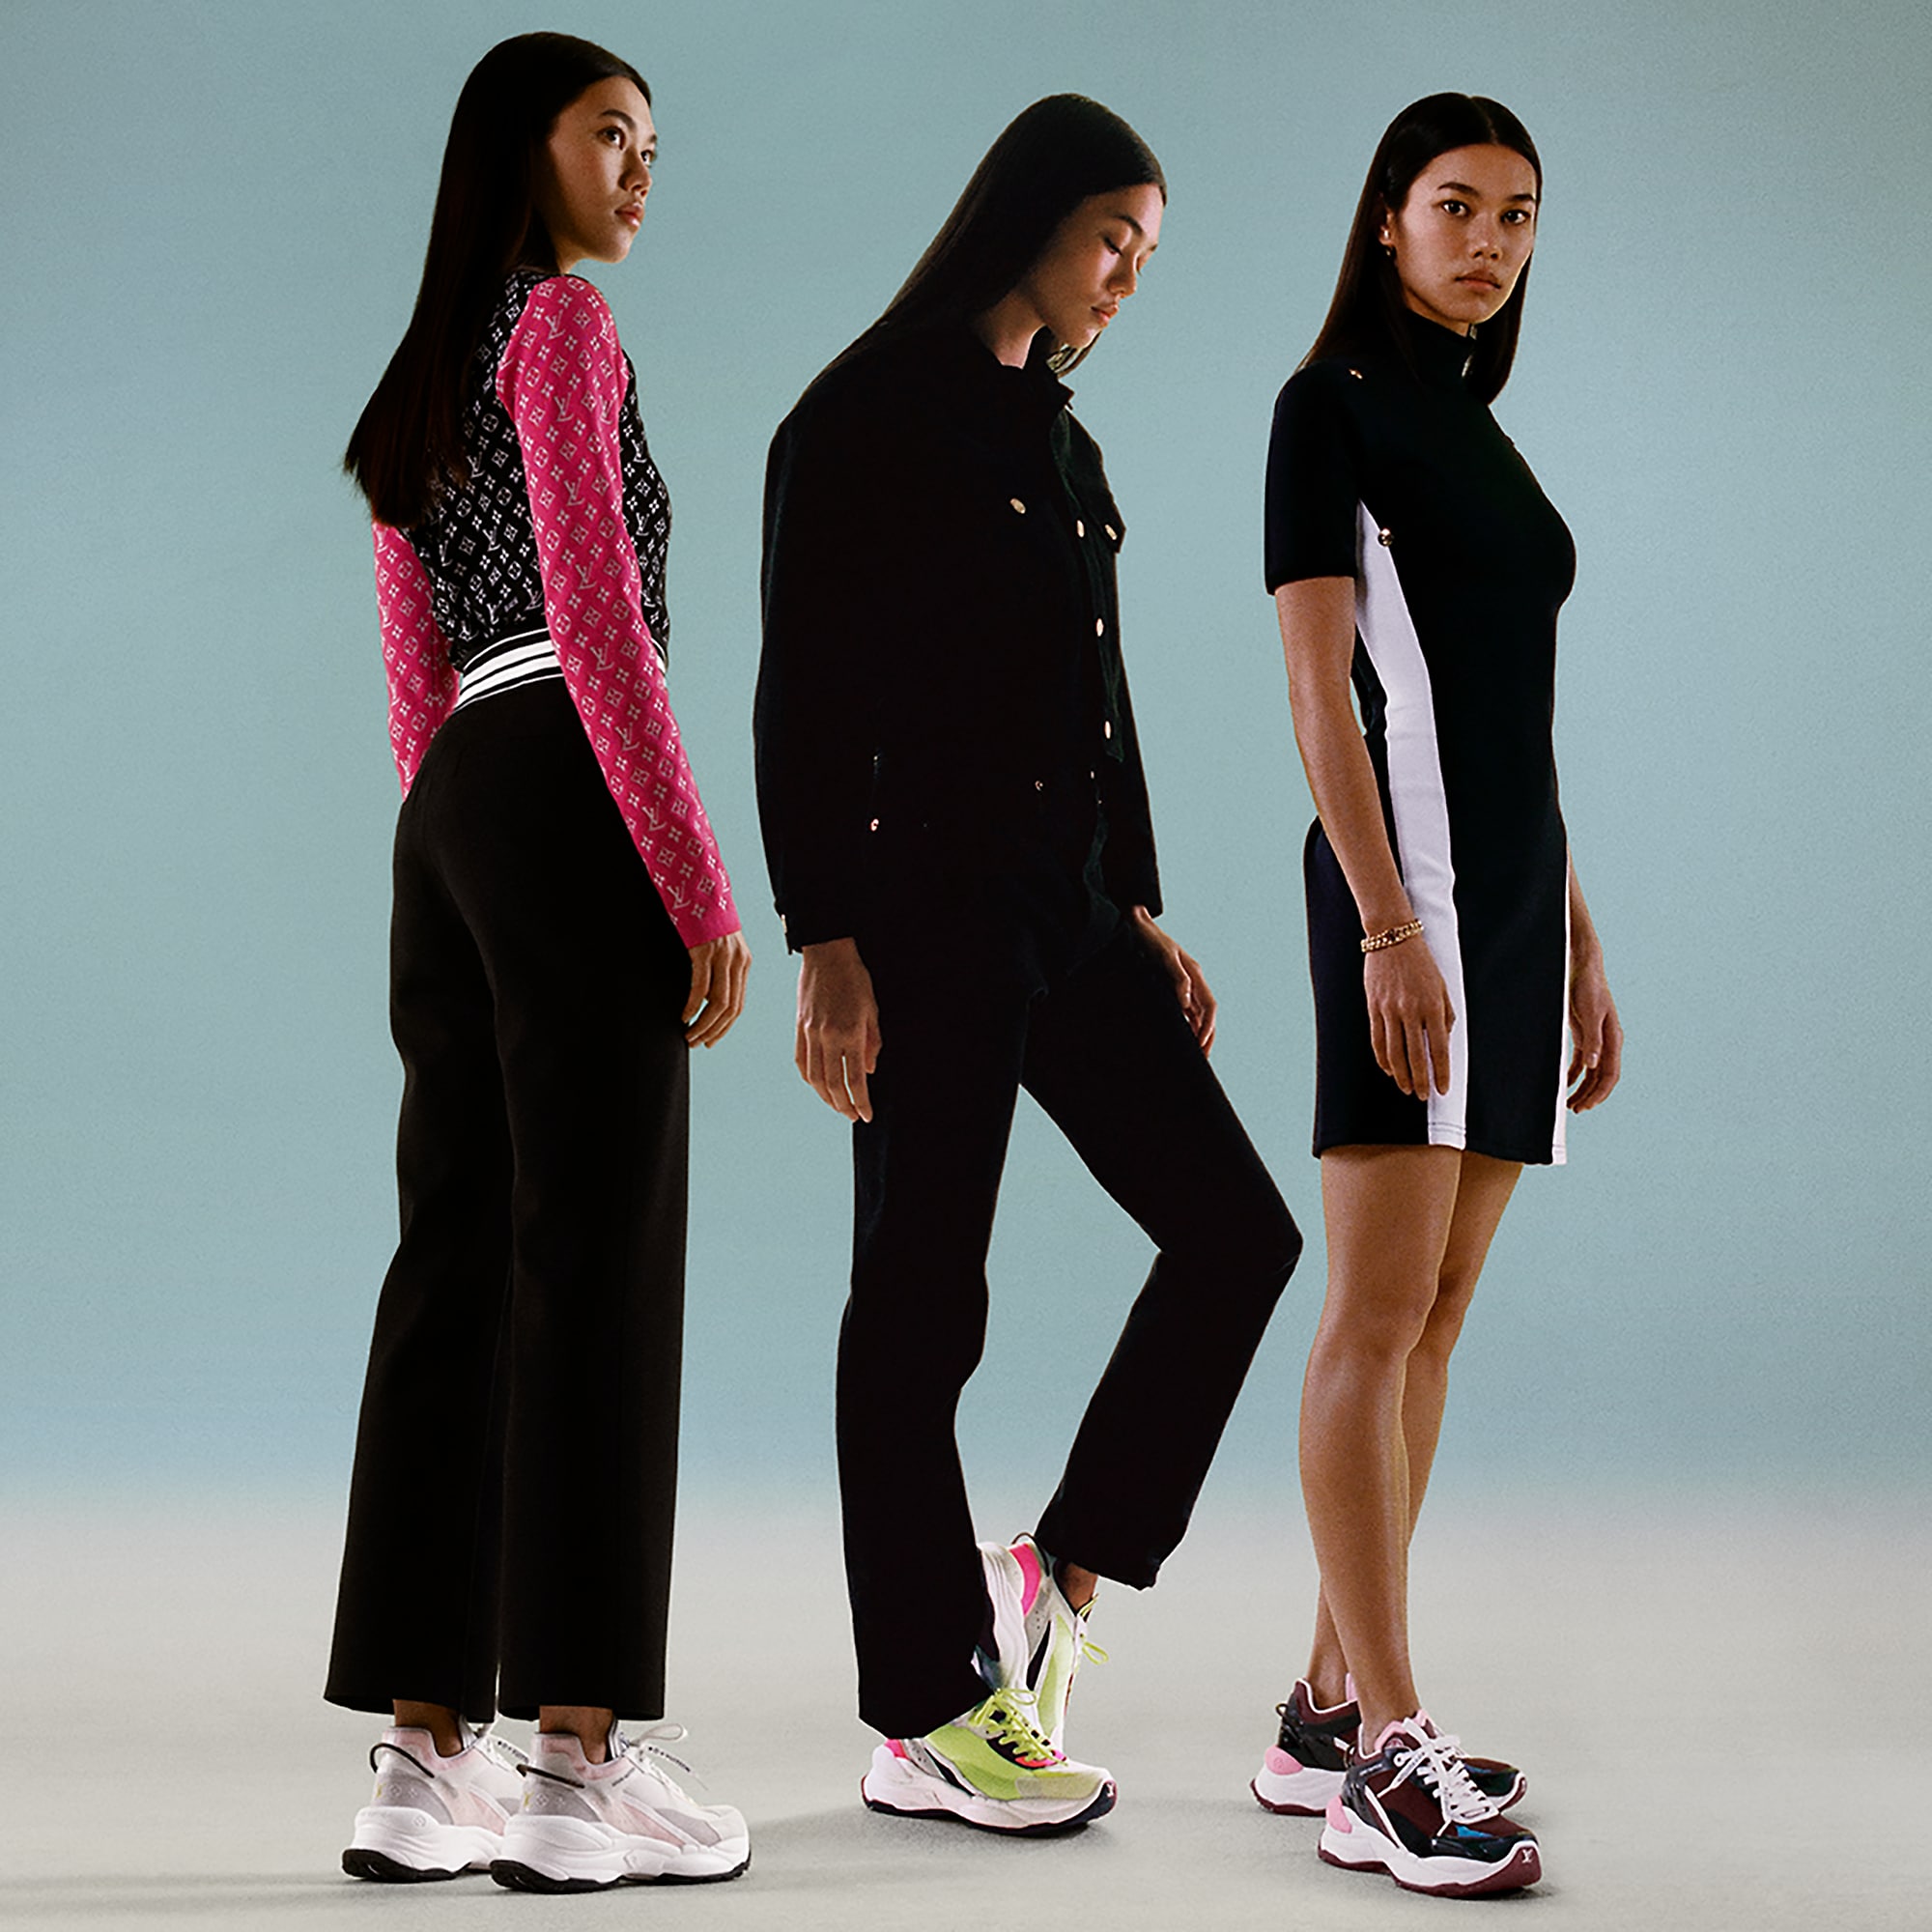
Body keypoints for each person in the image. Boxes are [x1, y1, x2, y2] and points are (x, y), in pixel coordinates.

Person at [754, 93, 1303, 1836]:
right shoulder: (859, 414)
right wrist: (824, 939)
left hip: (1066, 911)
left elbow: (1097, 700)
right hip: (921, 914)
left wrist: (1133, 902)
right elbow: (800, 699)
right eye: (1112, 240)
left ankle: (1059, 1567)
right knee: (921, 1307)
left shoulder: (1065, 446)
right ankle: (925, 1714)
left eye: (1148, 253)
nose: (1129, 276)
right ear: (1030, 218)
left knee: (1239, 1236)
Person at [324, 33, 752, 1892]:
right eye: (611, 134)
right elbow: (599, 616)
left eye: (653, 143)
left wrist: (463, 853)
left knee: (455, 1260)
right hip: (573, 774)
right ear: (525, 151)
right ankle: (578, 1763)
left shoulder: (414, 381)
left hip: (450, 817)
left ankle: (424, 1763)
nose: (643, 168)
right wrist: (695, 881)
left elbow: (412, 685)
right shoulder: (562, 328)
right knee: (597, 1258)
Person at [1254, 92, 1624, 1896]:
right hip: (1403, 898)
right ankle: (1385, 1757)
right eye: (1458, 206)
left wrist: (1579, 931)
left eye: (1519, 215)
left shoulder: (1480, 430)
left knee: (1440, 1315)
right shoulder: (1326, 409)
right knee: (1374, 1311)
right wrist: (1388, 928)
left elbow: (1503, 714)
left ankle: (1328, 1705)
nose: (1490, 242)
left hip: (1515, 901)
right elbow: (1321, 695)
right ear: (1388, 216)